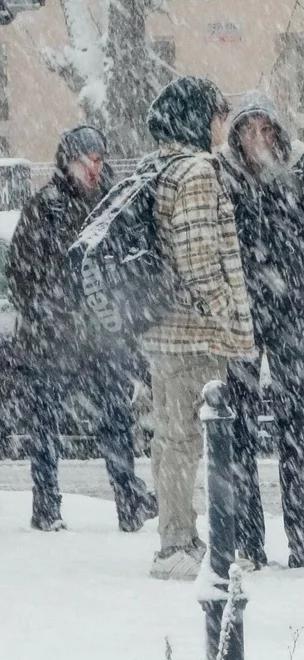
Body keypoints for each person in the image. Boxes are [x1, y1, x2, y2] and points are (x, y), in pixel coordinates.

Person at [218, 91, 304, 571]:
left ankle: (302, 542)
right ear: (236, 137)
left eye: (265, 130)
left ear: (277, 132)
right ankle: (250, 543)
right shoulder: (223, 177)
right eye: (247, 131)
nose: (257, 141)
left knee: (296, 424)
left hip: (292, 307)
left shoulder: (303, 170)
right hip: (241, 313)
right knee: (240, 429)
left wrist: (294, 245)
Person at [5, 125, 157, 533]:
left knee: (116, 419)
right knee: (45, 425)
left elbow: (129, 265)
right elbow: (20, 273)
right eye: (86, 159)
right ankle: (46, 507)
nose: (94, 167)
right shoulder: (45, 207)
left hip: (100, 337)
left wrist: (121, 316)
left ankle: (129, 501)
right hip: (50, 339)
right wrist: (51, 310)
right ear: (67, 163)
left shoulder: (111, 206)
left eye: (99, 159)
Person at [142, 76, 256, 580]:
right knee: (186, 441)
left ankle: (175, 536)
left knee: (169, 439)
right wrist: (224, 312)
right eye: (215, 115)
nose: (220, 127)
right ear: (195, 117)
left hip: (162, 330)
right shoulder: (196, 171)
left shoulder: (159, 166)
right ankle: (178, 545)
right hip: (192, 334)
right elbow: (198, 256)